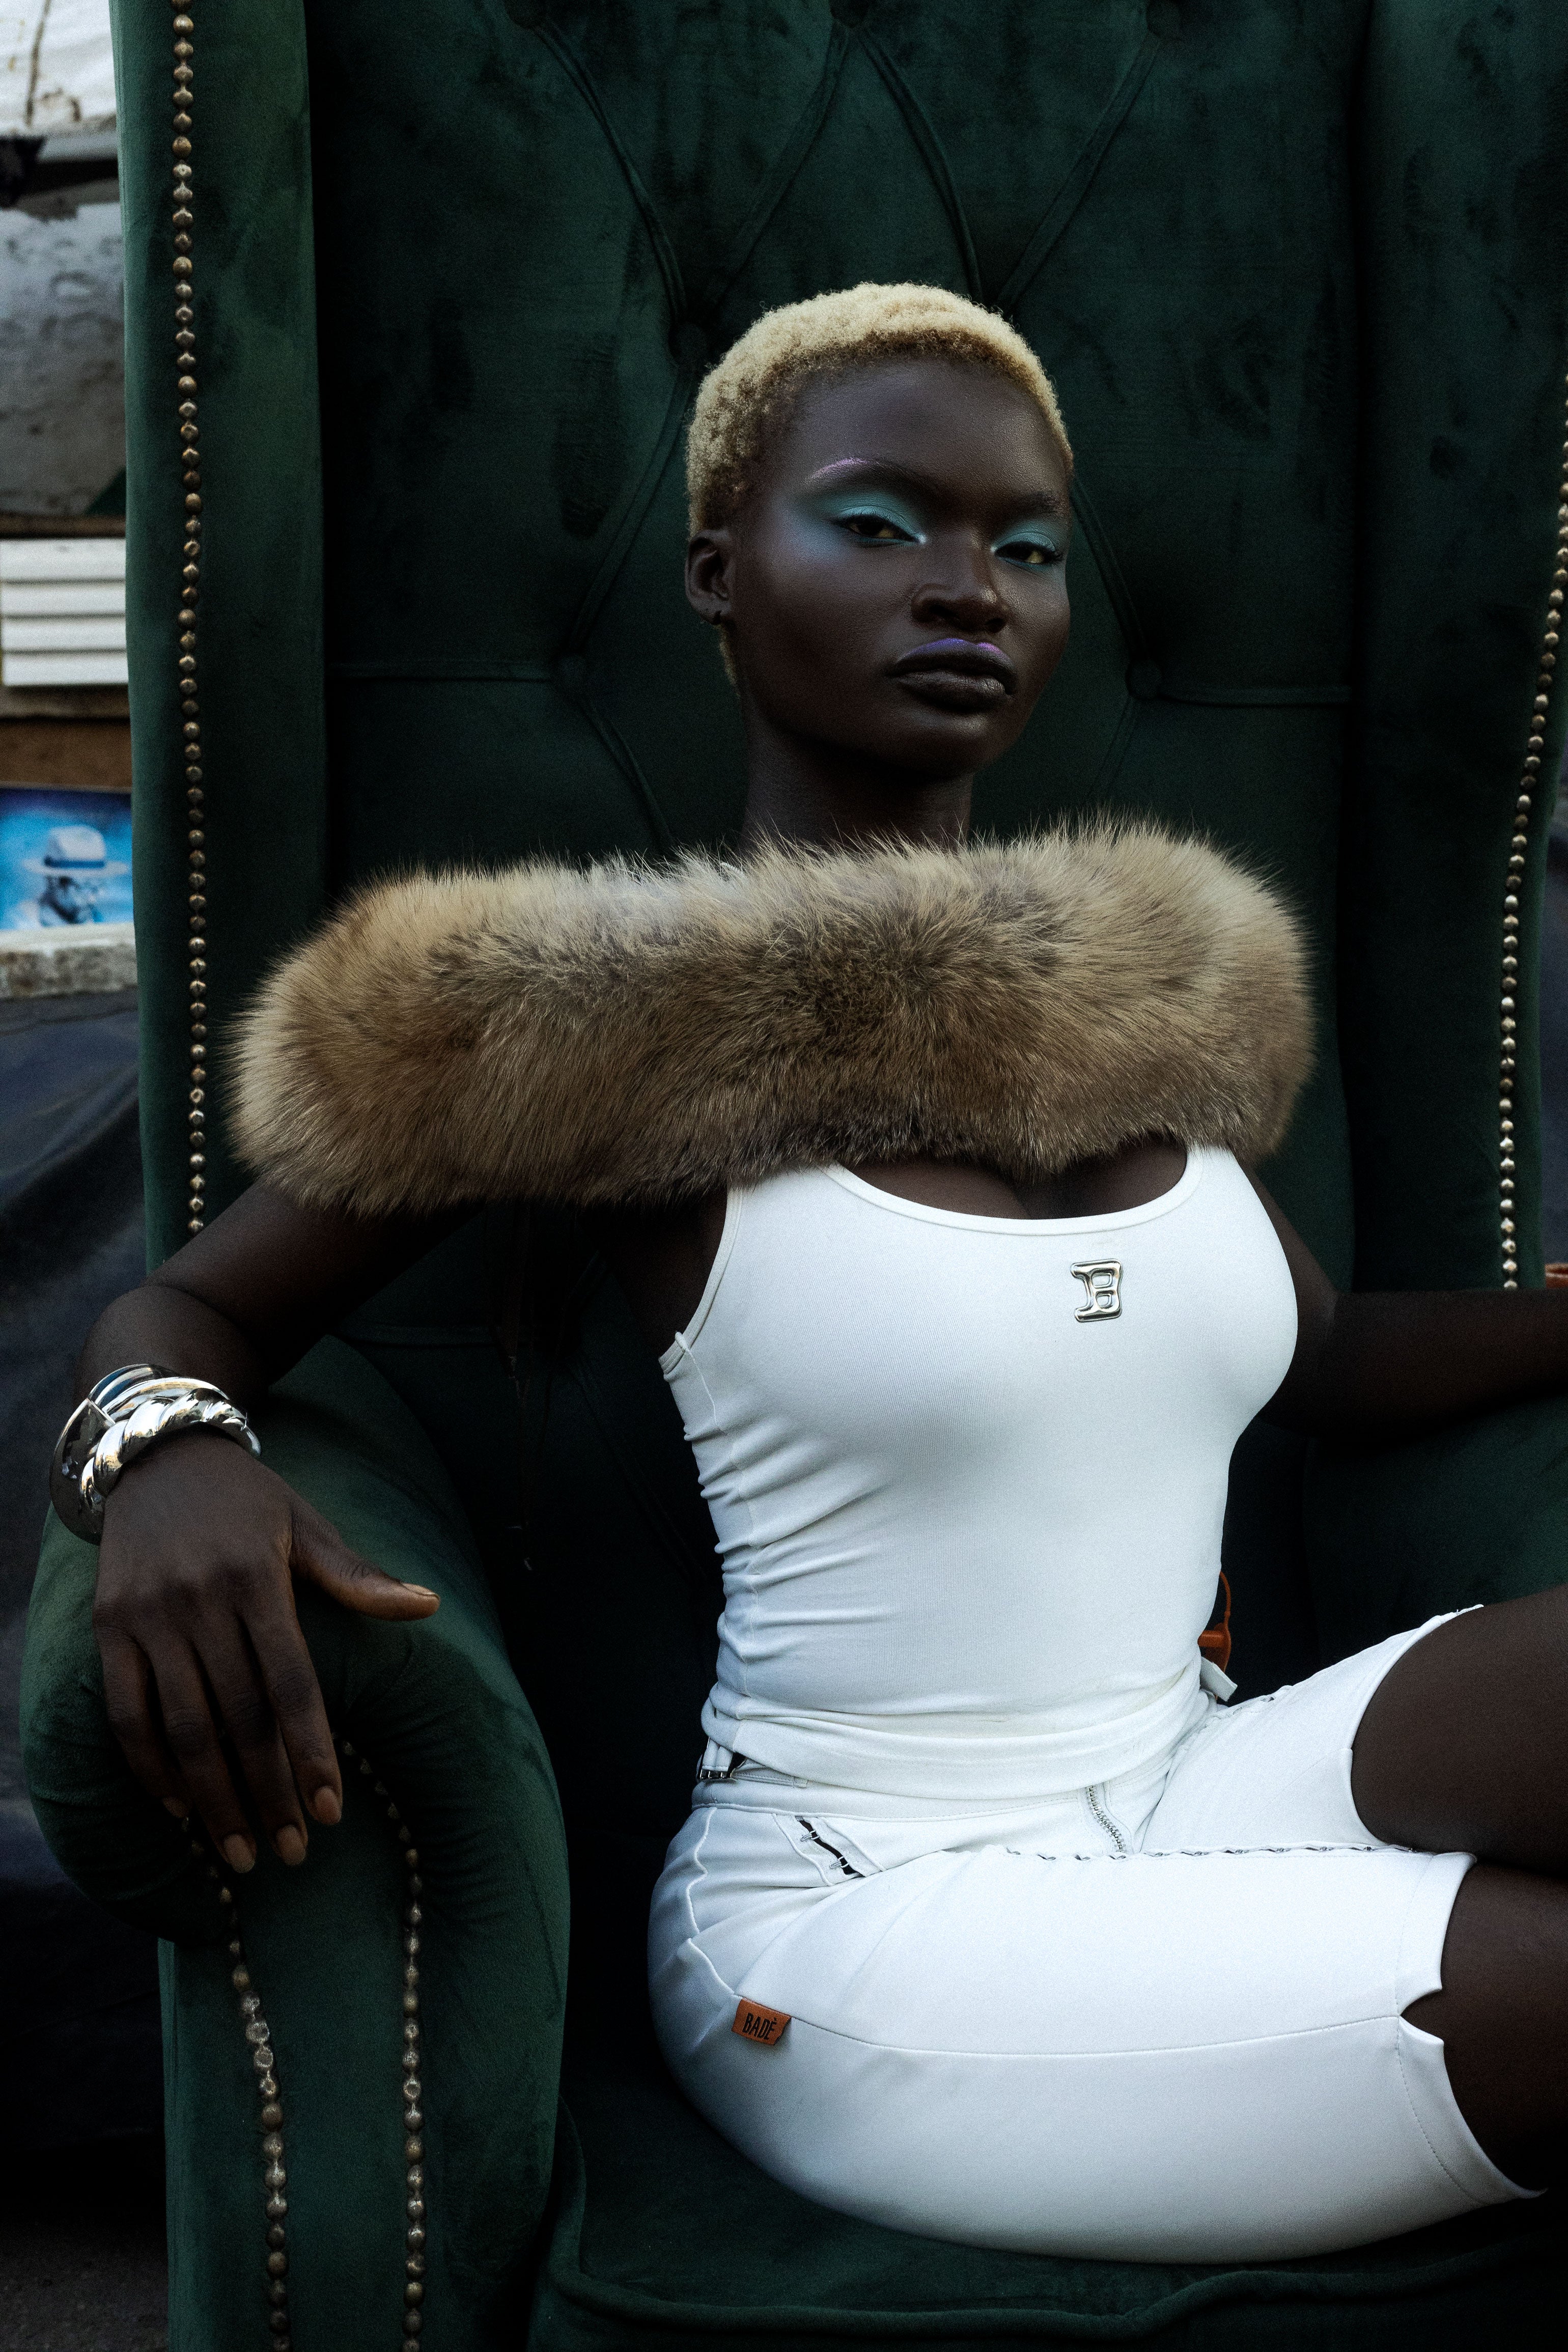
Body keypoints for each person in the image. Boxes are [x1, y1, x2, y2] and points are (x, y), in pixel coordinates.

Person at [70, 285, 1568, 2263]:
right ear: (719, 570)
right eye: (879, 524)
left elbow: (1330, 1355)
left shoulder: (1139, 1005)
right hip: (860, 1913)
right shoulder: (598, 1025)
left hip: (1196, 1769)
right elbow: (190, 1311)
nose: (967, 588)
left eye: (1025, 549)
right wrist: (162, 1449)